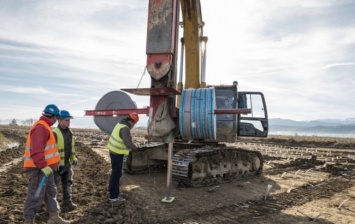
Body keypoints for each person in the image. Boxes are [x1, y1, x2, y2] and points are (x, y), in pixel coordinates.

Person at [23, 104, 70, 224]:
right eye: (56, 118)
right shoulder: (41, 128)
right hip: (38, 168)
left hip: (46, 168)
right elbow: (37, 150)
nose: (55, 121)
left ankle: (54, 216)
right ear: (53, 117)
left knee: (51, 192)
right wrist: (43, 166)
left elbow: (48, 150)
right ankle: (29, 220)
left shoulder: (46, 126)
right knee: (35, 195)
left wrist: (53, 164)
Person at [108, 112, 139, 202]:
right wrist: (135, 148)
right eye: (134, 123)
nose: (133, 125)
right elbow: (127, 142)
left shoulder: (120, 124)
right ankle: (114, 196)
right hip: (117, 153)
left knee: (114, 173)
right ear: (131, 121)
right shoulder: (125, 128)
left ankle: (112, 191)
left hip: (113, 151)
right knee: (116, 174)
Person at [53, 110, 78, 211]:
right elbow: (50, 150)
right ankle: (54, 207)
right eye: (67, 120)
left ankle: (67, 202)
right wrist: (55, 163)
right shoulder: (55, 133)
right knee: (55, 187)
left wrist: (73, 158)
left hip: (67, 164)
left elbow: (71, 148)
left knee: (67, 184)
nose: (69, 122)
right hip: (57, 165)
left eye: (69, 120)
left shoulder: (70, 132)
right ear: (60, 120)